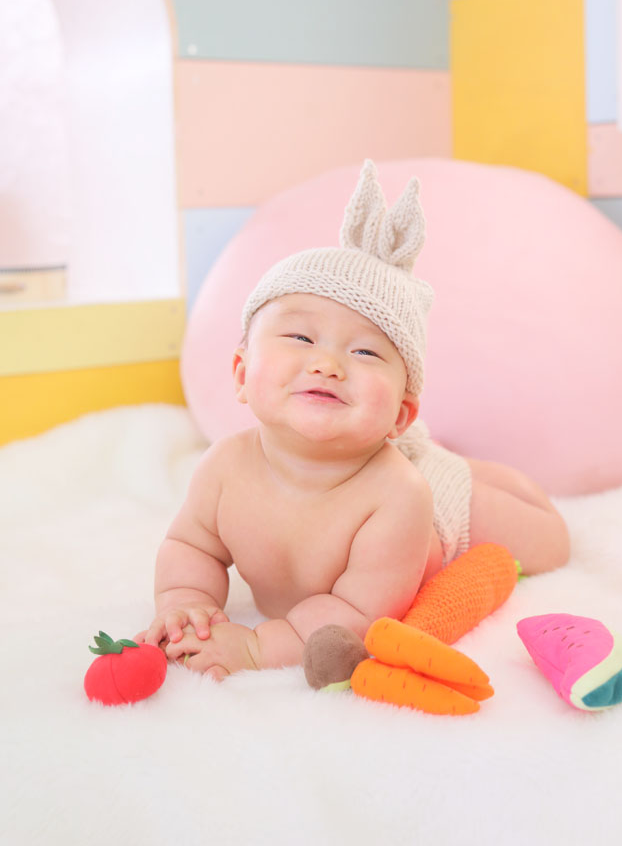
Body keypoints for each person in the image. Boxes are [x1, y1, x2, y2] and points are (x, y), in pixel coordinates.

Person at [138, 161, 569, 681]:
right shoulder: (223, 467)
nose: (327, 364)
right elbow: (191, 546)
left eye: (365, 351)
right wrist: (185, 600)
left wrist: (256, 647)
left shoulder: (400, 496)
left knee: (549, 541)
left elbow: (357, 614)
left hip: (442, 505)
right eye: (300, 338)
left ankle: (466, 469)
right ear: (242, 373)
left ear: (400, 415)